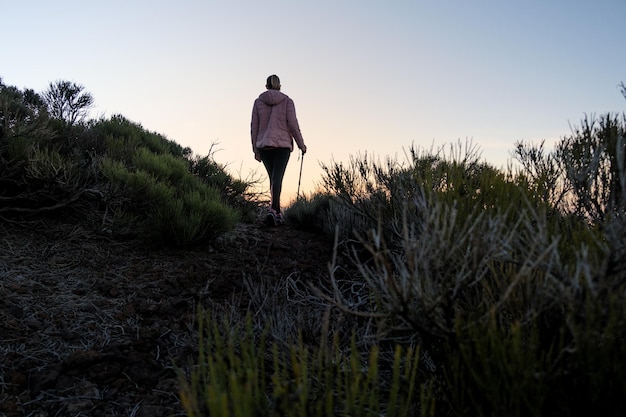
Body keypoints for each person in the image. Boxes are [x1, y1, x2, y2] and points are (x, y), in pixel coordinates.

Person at [251, 74, 307, 226]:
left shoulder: (258, 102)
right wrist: (301, 145)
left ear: (266, 86)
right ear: (280, 86)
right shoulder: (287, 101)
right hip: (282, 146)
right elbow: (293, 125)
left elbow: (254, 127)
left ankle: (276, 211)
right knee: (277, 178)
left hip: (264, 146)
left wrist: (255, 149)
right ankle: (274, 211)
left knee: (273, 178)